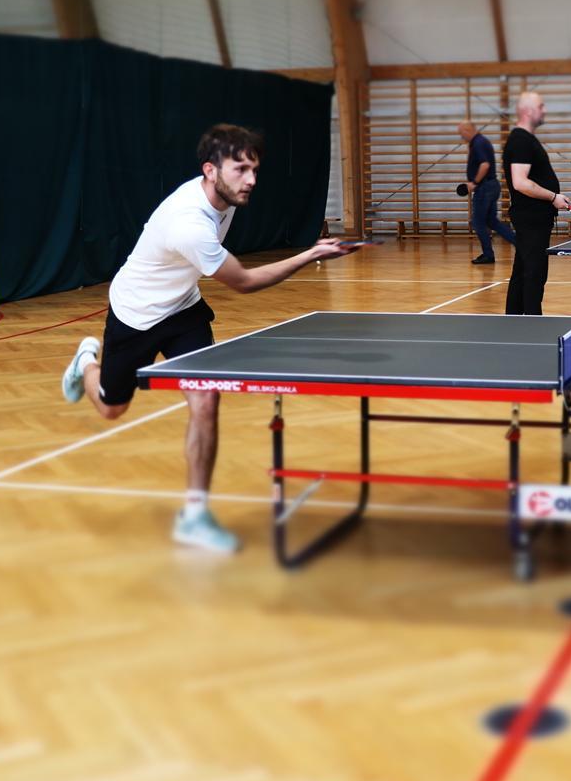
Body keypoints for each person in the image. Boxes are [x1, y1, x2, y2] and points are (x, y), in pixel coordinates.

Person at [60, 124, 356, 554]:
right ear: (210, 170)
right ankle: (86, 362)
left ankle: (194, 514)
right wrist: (310, 254)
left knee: (205, 398)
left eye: (254, 170)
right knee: (111, 407)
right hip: (137, 313)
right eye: (241, 170)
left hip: (183, 308)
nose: (251, 180)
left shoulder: (225, 197)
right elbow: (245, 282)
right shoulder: (190, 224)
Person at [502, 91, 570, 315]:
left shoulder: (525, 139)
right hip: (531, 219)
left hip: (533, 218)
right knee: (534, 273)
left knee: (523, 271)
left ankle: (514, 319)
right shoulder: (521, 141)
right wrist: (553, 197)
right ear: (528, 111)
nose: (545, 110)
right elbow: (520, 182)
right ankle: (533, 320)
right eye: (541, 106)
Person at [458, 121, 515, 265]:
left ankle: (488, 255)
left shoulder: (478, 143)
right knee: (491, 221)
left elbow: (485, 165)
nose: (461, 136)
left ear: (468, 130)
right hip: (491, 186)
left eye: (462, 133)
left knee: (478, 222)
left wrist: (474, 182)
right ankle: (520, 244)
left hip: (484, 188)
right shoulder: (481, 141)